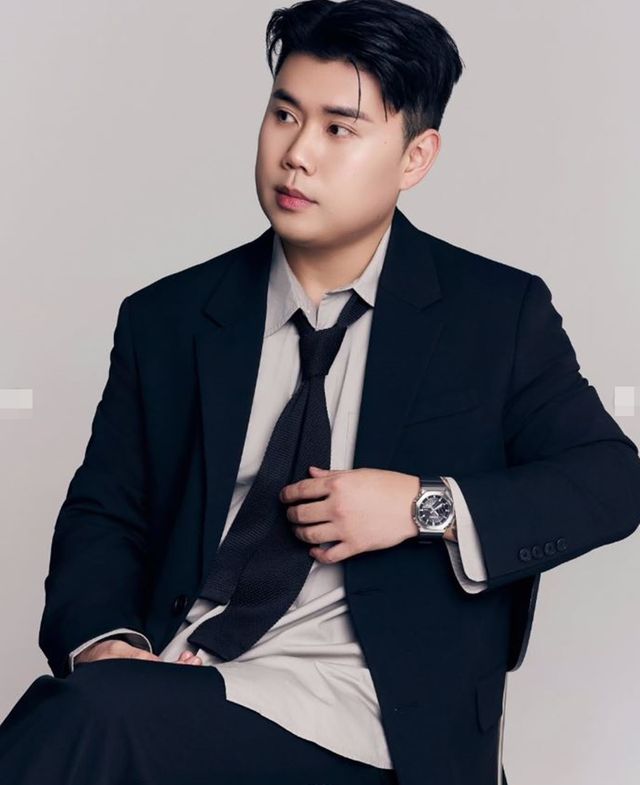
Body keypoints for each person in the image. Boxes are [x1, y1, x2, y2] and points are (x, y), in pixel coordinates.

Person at [2, 1, 639, 783]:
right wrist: (107, 643)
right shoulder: (168, 318)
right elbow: (106, 513)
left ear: (415, 157)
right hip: (183, 677)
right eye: (284, 114)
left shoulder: (494, 315)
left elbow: (611, 481)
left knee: (89, 721)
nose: (297, 154)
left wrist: (420, 506)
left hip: (372, 717)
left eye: (340, 128)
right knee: (92, 708)